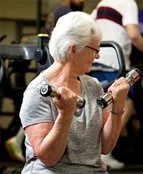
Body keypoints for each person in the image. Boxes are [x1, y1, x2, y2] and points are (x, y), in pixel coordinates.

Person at [19, 11, 143, 174]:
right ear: (73, 49)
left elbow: (105, 146)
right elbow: (49, 158)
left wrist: (118, 105)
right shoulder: (37, 92)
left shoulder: (93, 86)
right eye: (94, 49)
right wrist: (65, 114)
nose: (98, 55)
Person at [4, 0, 86, 163]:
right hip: (57, 64)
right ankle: (21, 140)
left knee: (47, 109)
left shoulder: (57, 11)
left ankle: (18, 139)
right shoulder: (66, 12)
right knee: (52, 107)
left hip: (50, 63)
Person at [90, 0, 143, 170]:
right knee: (127, 102)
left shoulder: (101, 4)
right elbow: (134, 34)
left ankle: (96, 151)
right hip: (114, 60)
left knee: (103, 105)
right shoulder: (128, 2)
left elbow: (90, 27)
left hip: (96, 59)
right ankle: (104, 154)